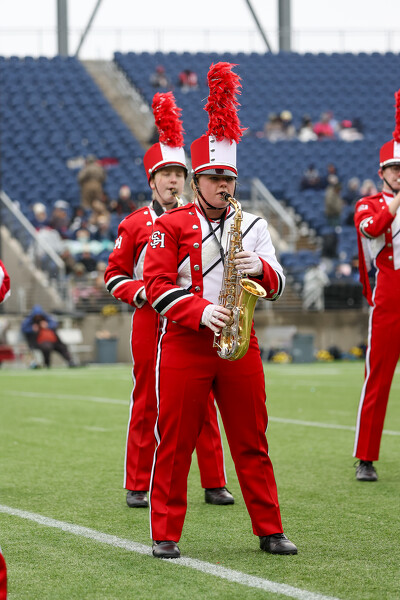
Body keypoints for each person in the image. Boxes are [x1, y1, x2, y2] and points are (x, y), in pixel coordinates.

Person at [143, 62, 297, 559]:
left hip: (239, 341)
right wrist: (199, 311)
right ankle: (166, 533)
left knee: (252, 440)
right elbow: (156, 284)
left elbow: (278, 283)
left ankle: (270, 529)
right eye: (213, 178)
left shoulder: (253, 224)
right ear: (196, 181)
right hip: (186, 342)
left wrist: (261, 269)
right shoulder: (171, 225)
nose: (222, 185)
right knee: (175, 441)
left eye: (228, 178)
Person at [105, 91, 233, 509]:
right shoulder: (134, 224)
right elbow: (114, 276)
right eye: (166, 174)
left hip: (190, 318)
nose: (173, 181)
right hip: (149, 319)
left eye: (179, 173)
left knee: (203, 396)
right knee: (148, 397)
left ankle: (214, 480)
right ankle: (137, 483)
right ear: (152, 180)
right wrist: (142, 291)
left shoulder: (198, 219)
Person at [353, 88, 400, 482]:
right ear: (382, 172)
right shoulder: (368, 204)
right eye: (394, 169)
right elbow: (373, 229)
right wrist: (397, 199)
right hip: (390, 293)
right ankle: (366, 457)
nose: (399, 173)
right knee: (379, 376)